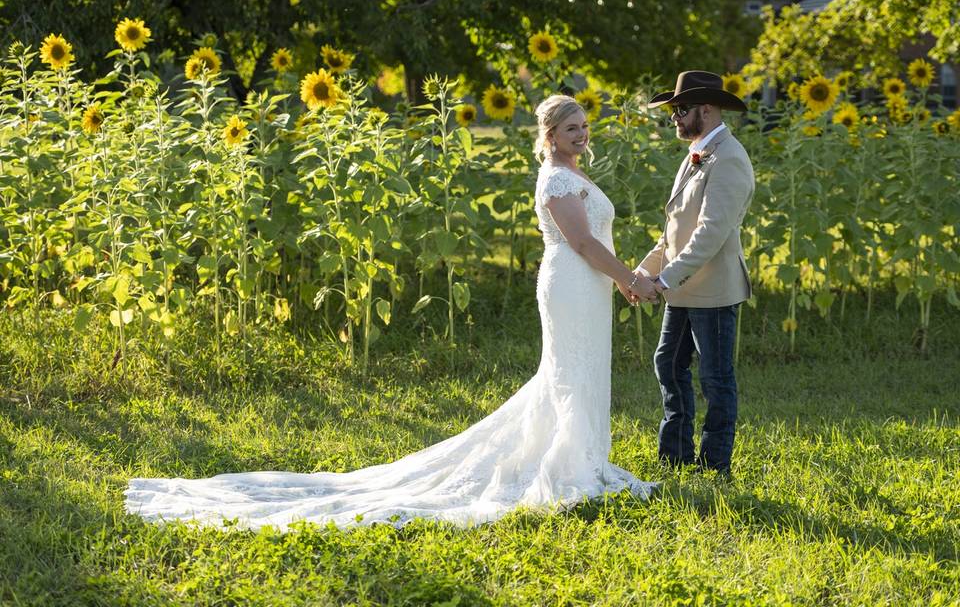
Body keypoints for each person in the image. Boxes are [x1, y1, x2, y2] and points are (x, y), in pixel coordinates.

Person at [125, 94, 658, 530]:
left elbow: (595, 245)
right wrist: (630, 278)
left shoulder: (573, 173)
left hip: (590, 288)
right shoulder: (558, 179)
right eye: (571, 129)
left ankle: (583, 456)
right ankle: (572, 466)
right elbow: (584, 244)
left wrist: (623, 280)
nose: (581, 134)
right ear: (549, 136)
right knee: (567, 374)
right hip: (572, 284)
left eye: (584, 126)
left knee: (578, 373)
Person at [636, 71, 755, 476]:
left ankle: (715, 464)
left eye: (680, 109)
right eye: (672, 109)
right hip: (683, 288)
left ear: (706, 109)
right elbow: (673, 230)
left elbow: (710, 234)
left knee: (716, 379)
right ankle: (675, 457)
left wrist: (664, 279)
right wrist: (643, 272)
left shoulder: (730, 157)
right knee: (668, 363)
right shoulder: (696, 154)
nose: (674, 117)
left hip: (713, 291)